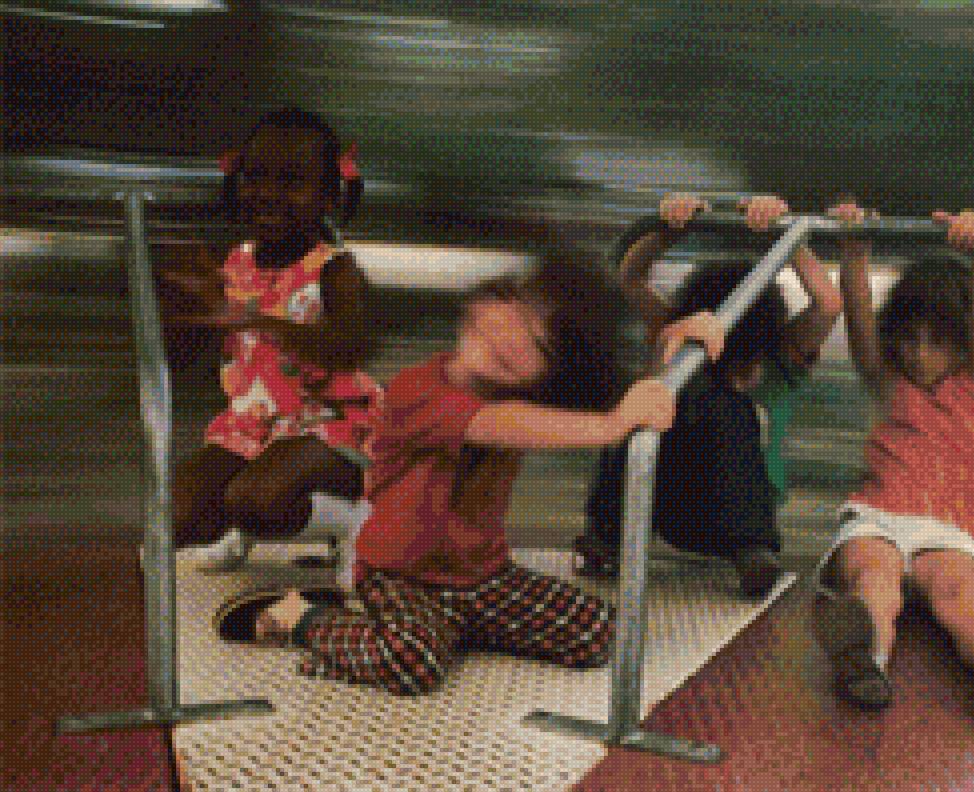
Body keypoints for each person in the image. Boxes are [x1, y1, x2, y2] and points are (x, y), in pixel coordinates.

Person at [214, 257, 681, 696]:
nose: (514, 342)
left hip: (482, 576)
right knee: (414, 663)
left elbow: (616, 384)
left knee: (601, 631)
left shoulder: (523, 401)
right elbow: (490, 424)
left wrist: (673, 336)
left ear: (550, 376)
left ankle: (433, 629)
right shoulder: (417, 389)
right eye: (516, 316)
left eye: (540, 346)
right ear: (482, 301)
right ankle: (303, 615)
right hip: (400, 576)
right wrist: (611, 425)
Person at [813, 202, 974, 722]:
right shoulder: (889, 382)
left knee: (959, 595)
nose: (917, 354)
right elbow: (860, 319)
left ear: (962, 345)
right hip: (878, 518)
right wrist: (854, 254)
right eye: (907, 338)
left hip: (948, 530)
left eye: (936, 342)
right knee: (874, 576)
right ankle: (865, 657)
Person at [576, 194, 843, 598]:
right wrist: (671, 227)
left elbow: (828, 304)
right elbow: (630, 278)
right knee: (645, 401)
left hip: (736, 520)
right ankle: (606, 535)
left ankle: (752, 554)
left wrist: (785, 233)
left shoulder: (780, 357)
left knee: (728, 407)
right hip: (664, 502)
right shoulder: (682, 347)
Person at [166, 108, 380, 565]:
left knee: (257, 499)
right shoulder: (234, 263)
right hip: (253, 425)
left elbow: (350, 348)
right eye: (254, 176)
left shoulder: (334, 269)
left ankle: (354, 520)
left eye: (291, 181)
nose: (266, 193)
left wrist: (253, 320)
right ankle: (244, 522)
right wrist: (187, 312)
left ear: (328, 196)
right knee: (176, 512)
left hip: (329, 423)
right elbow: (179, 360)